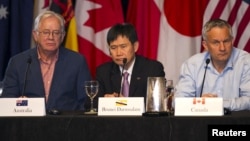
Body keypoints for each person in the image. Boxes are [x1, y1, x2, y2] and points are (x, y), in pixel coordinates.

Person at [1, 11, 91, 111]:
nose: (51, 37)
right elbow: (7, 101)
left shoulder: (77, 62)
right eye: (46, 32)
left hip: (66, 124)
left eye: (56, 33)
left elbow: (86, 103)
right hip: (29, 124)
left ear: (62, 36)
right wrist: (20, 104)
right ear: (35, 35)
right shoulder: (18, 63)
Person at [174, 19, 250, 111]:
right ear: (205, 45)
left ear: (232, 41)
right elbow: (178, 102)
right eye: (216, 43)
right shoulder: (192, 65)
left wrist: (217, 104)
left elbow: (248, 100)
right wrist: (200, 103)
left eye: (226, 41)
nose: (222, 48)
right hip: (200, 123)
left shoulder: (246, 62)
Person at [89, 23, 165, 108]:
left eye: (123, 46)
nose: (118, 53)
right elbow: (90, 103)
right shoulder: (103, 71)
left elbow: (157, 104)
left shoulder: (153, 69)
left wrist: (123, 103)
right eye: (113, 48)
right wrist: (105, 101)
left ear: (135, 46)